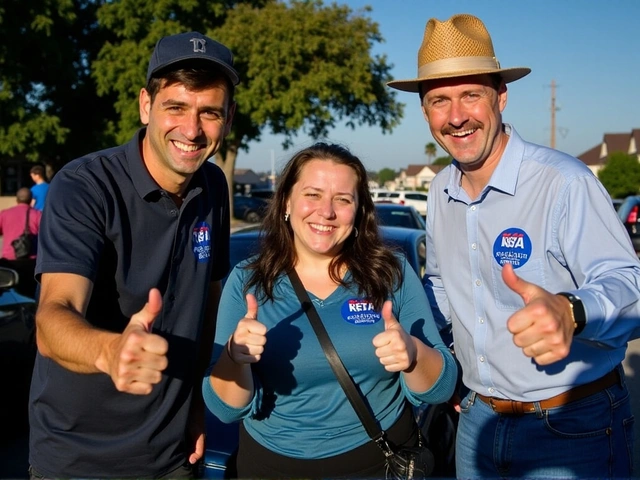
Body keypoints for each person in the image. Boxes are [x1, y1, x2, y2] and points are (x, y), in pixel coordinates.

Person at [387, 13, 640, 478]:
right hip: (477, 422)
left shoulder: (563, 181)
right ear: (425, 112)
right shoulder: (440, 191)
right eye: (439, 100)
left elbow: (629, 285)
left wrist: (571, 310)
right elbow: (443, 289)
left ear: (500, 97)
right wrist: (435, 358)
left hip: (571, 423)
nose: (456, 116)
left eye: (470, 95)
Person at [28, 31, 238, 479]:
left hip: (173, 456)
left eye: (209, 113)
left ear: (228, 118)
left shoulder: (213, 187)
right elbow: (53, 315)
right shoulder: (84, 186)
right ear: (146, 105)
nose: (192, 129)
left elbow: (208, 304)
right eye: (175, 107)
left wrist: (199, 402)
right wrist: (110, 351)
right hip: (77, 459)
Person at [203, 142, 458, 479]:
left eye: (343, 199)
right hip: (270, 467)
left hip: (379, 463)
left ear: (359, 211)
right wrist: (235, 358)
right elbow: (225, 409)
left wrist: (412, 354)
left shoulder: (391, 272)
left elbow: (439, 388)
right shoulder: (247, 281)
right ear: (286, 203)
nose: (326, 212)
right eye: (313, 194)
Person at [0, 187, 41, 298]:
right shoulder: (37, 214)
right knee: (30, 297)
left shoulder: (4, 214)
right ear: (31, 200)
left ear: (17, 199)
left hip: (8, 263)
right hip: (31, 262)